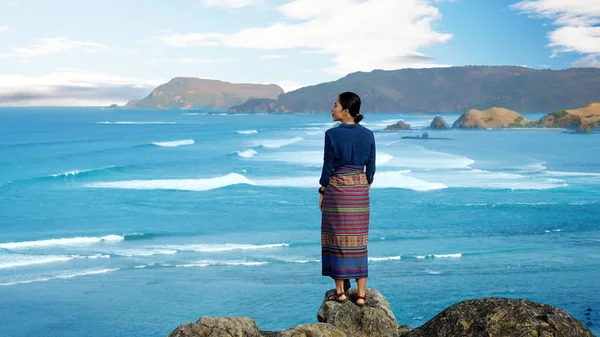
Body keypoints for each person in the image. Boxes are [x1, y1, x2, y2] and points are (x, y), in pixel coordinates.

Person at [318, 92, 375, 307]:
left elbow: (327, 167)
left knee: (336, 238)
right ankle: (361, 294)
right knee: (359, 240)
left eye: (335, 105)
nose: (332, 109)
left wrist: (322, 190)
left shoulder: (331, 135)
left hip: (337, 190)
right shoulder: (368, 135)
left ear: (346, 111)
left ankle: (341, 291)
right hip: (359, 191)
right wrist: (361, 184)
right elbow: (371, 170)